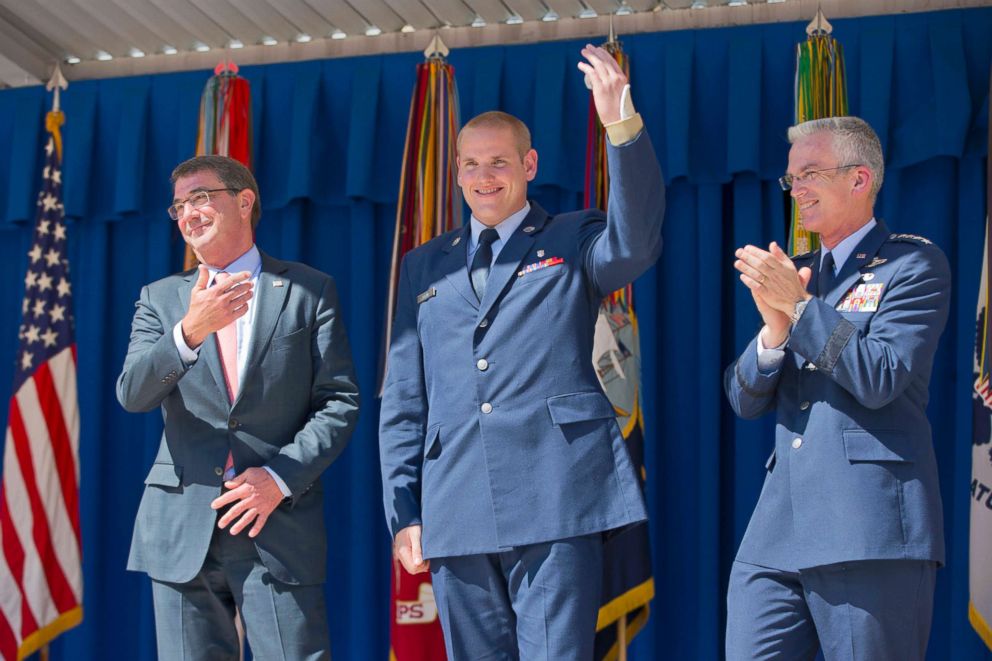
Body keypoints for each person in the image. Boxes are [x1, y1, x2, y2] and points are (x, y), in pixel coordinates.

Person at [378, 45, 665, 660]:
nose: (485, 178)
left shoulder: (572, 236)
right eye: (472, 165)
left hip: (554, 493)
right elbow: (405, 399)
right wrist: (404, 511)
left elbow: (635, 241)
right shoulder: (424, 264)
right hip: (454, 502)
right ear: (456, 172)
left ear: (529, 164)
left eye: (500, 163)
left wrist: (621, 125)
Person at [724, 116, 950, 660]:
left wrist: (799, 310)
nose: (796, 189)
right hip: (778, 528)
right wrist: (775, 334)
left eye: (810, 174)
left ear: (859, 179)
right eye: (791, 179)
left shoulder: (912, 264)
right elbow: (744, 398)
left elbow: (881, 377)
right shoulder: (796, 271)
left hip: (867, 525)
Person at [117, 155, 359, 660]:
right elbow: (133, 394)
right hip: (183, 525)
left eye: (200, 198)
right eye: (179, 205)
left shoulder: (308, 291)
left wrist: (278, 478)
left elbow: (337, 401)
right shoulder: (161, 300)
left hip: (276, 520)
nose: (188, 213)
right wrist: (188, 332)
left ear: (245, 201)